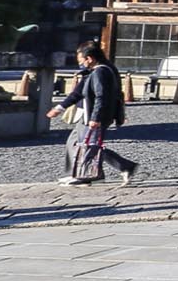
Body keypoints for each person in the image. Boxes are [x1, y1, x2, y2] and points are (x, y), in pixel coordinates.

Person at [46, 43, 138, 186]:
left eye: (81, 60)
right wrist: (60, 108)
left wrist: (96, 118)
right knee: (77, 142)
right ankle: (79, 172)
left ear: (89, 58)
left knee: (89, 146)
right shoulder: (93, 72)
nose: (80, 63)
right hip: (87, 114)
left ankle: (88, 174)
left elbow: (102, 97)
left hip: (95, 116)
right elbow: (77, 93)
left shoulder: (100, 72)